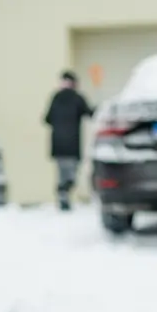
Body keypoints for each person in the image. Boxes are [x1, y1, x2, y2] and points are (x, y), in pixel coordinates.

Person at [43, 70, 94, 210]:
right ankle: (63, 193)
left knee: (62, 173)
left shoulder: (56, 97)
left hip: (58, 144)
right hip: (72, 144)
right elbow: (90, 113)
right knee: (71, 174)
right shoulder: (77, 98)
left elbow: (47, 119)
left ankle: (63, 195)